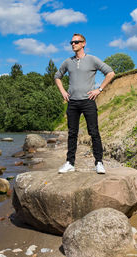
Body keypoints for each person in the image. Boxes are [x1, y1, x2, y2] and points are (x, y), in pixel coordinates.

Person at [54, 33, 115, 174]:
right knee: (72, 133)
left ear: (83, 43)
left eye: (76, 42)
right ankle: (70, 163)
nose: (73, 44)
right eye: (71, 42)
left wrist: (99, 90)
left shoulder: (92, 59)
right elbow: (57, 76)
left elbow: (110, 73)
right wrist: (63, 91)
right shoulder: (67, 62)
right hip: (73, 102)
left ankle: (99, 162)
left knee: (94, 132)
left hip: (88, 101)